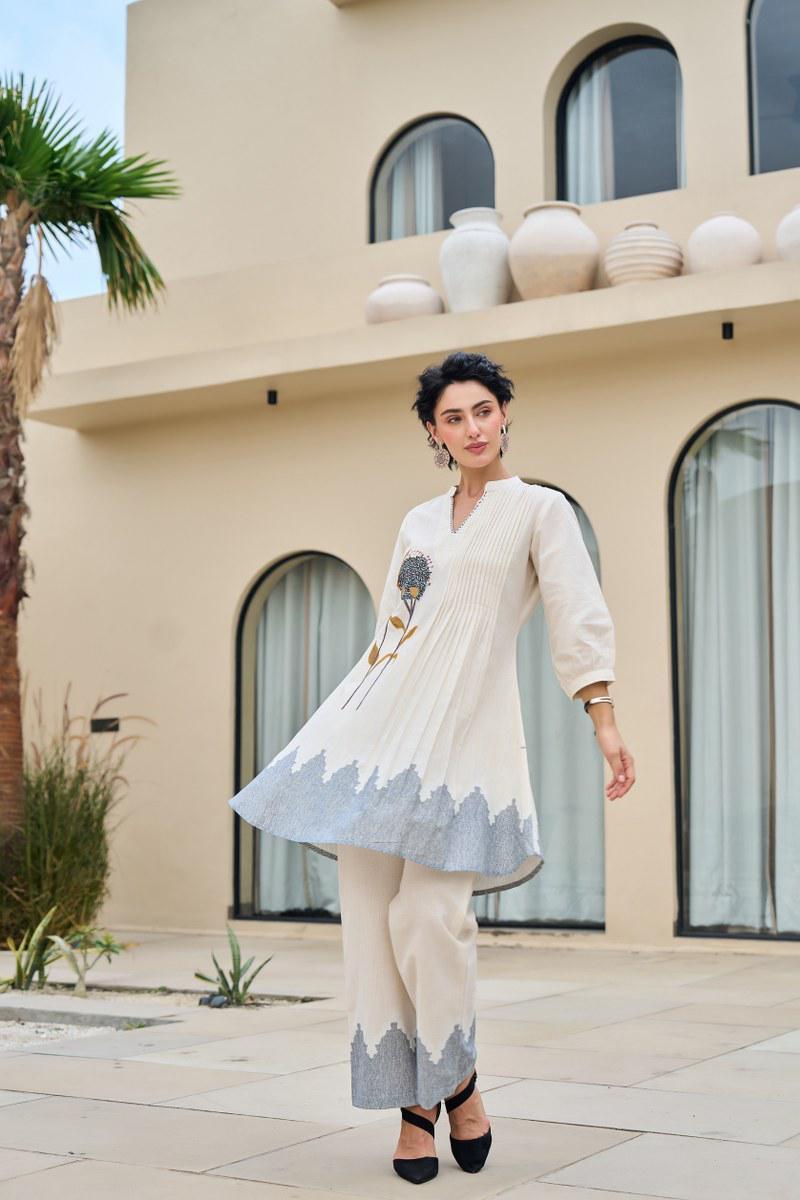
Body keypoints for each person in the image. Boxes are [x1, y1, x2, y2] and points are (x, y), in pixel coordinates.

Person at [228, 350, 636, 1184]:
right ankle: (418, 1103)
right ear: (433, 433)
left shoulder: (538, 511)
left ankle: (453, 1080)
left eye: (484, 410)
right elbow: (391, 634)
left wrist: (604, 716)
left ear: (506, 414)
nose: (473, 427)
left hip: (468, 746)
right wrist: (338, 733)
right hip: (382, 736)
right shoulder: (417, 522)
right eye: (454, 417)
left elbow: (576, 613)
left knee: (428, 920)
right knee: (371, 927)